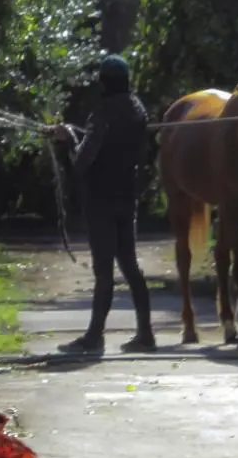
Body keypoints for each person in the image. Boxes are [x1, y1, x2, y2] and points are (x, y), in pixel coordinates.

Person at [43, 53, 156, 355]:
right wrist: (76, 133)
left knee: (104, 270)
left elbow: (82, 161)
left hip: (101, 201)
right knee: (130, 266)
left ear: (104, 83)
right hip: (127, 197)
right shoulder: (138, 109)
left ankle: (94, 337)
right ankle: (146, 334)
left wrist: (68, 137)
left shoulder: (103, 113)